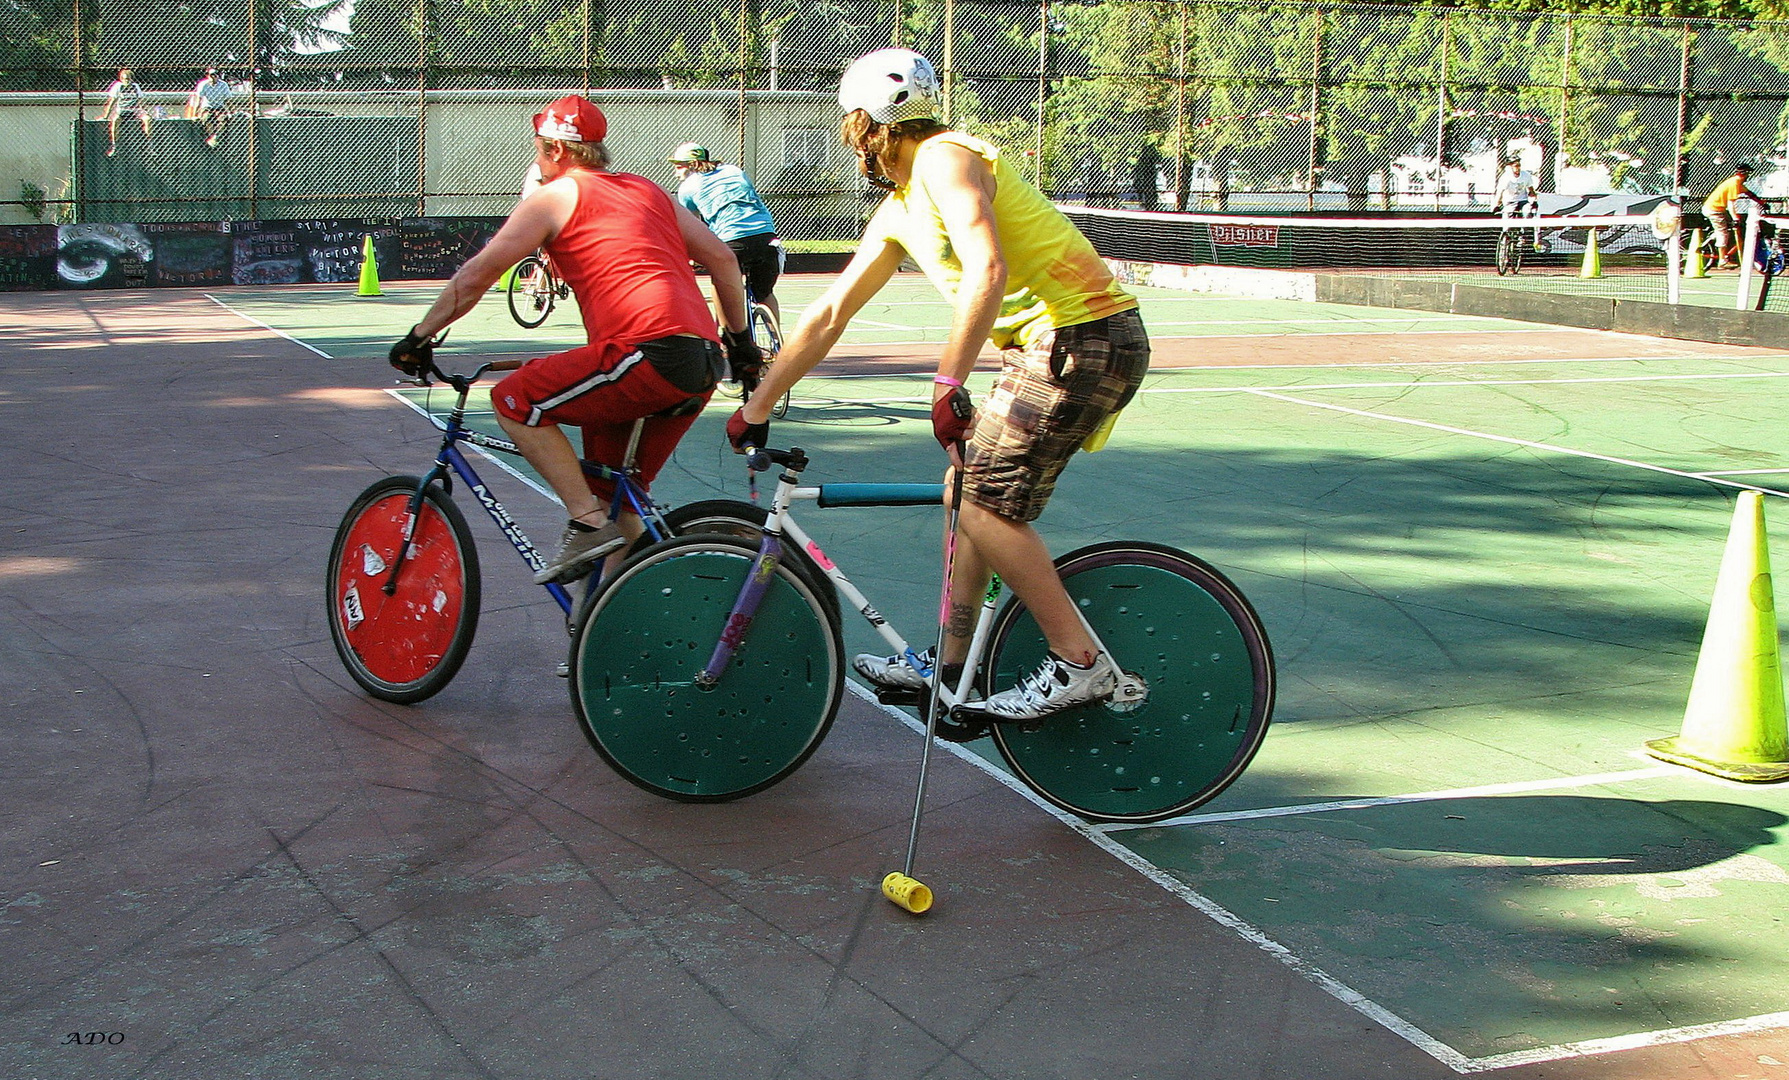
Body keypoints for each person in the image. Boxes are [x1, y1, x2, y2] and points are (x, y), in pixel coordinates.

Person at [726, 48, 1149, 723]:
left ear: (865, 125)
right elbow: (828, 314)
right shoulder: (900, 206)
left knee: (985, 504)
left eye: (848, 125)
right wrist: (759, 403)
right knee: (966, 492)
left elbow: (988, 269)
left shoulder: (948, 158)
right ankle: (948, 669)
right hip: (1052, 347)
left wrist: (946, 382)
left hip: (1083, 337)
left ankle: (1079, 663)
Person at [390, 96, 762, 585]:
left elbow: (478, 273)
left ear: (554, 150)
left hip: (644, 353)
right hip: (700, 362)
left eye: (540, 151)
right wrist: (739, 343)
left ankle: (584, 524)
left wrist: (420, 336)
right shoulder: (651, 191)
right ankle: (596, 631)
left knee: (514, 398)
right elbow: (723, 259)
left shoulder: (552, 197)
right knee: (617, 496)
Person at [668, 142, 783, 322]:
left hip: (731, 242)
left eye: (678, 167)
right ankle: (778, 346)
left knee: (720, 287)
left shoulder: (687, 188)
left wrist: (694, 257)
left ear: (691, 165)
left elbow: (693, 229)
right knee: (765, 293)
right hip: (766, 238)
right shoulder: (734, 171)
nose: (676, 173)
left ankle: (729, 339)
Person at [1703, 164, 1767, 270]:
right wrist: (1735, 218)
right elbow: (1730, 204)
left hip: (1718, 209)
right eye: (1748, 174)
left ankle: (1713, 238)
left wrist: (1761, 203)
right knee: (1723, 233)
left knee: (1724, 229)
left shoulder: (1737, 182)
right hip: (1714, 210)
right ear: (1744, 173)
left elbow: (1749, 194)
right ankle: (1722, 261)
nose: (1748, 176)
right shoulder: (1734, 183)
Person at [99, 68, 152, 156]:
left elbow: (141, 101)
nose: (126, 81)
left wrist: (145, 112)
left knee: (148, 119)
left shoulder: (135, 86)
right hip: (122, 110)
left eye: (128, 79)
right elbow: (112, 102)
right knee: (115, 121)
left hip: (135, 110)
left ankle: (149, 146)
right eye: (123, 79)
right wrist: (106, 116)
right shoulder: (118, 86)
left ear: (131, 79)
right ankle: (114, 146)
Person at [1492, 152, 1539, 251]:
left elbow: (1531, 190)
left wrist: (1533, 200)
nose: (1518, 168)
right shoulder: (1505, 178)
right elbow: (1499, 192)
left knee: (1527, 211)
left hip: (1523, 201)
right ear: (1510, 167)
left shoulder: (1526, 175)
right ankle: (1505, 243)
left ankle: (1522, 236)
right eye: (1515, 166)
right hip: (1509, 202)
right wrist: (1496, 205)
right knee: (1507, 225)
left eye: (1519, 165)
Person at [185, 68, 232, 147]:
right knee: (207, 118)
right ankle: (211, 136)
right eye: (212, 75)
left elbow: (227, 100)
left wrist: (230, 112)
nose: (214, 77)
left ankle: (216, 137)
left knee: (223, 118)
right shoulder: (203, 84)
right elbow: (199, 99)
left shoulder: (224, 85)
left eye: (216, 75)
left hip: (219, 106)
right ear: (207, 76)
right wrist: (195, 114)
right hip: (207, 106)